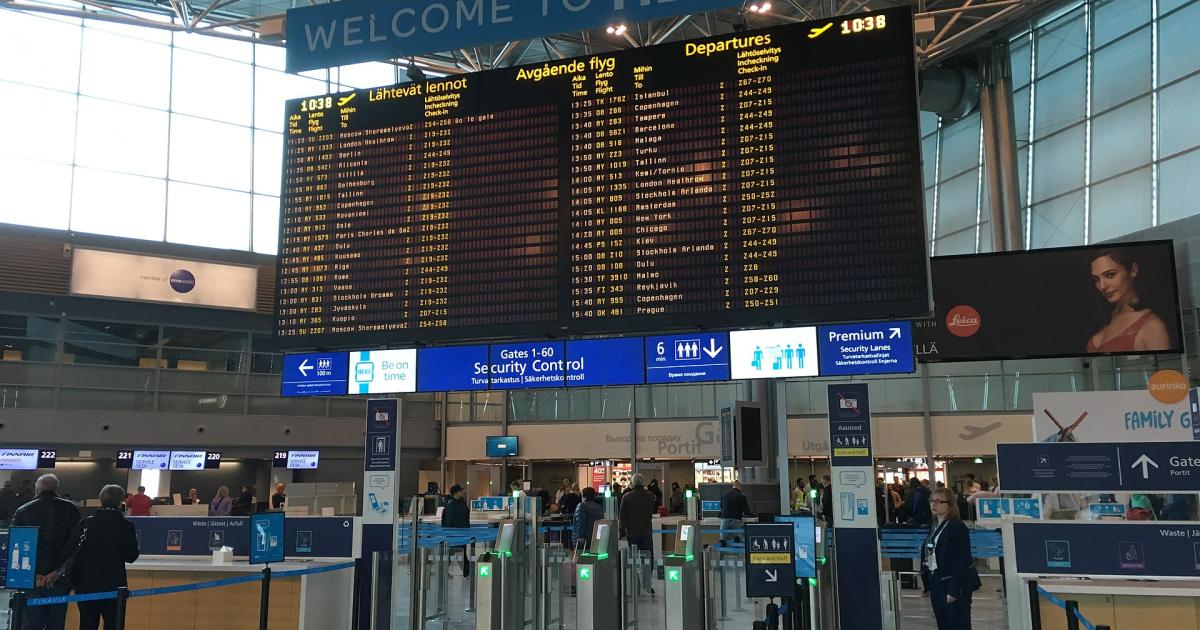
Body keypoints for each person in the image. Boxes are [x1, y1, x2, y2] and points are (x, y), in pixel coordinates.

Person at [56, 484, 139, 630]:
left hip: (86, 583)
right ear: (120, 501)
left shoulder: (86, 523)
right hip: (114, 584)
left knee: (87, 624)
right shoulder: (127, 526)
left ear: (101, 500)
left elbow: (66, 551)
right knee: (114, 624)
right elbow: (131, 556)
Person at [11, 474, 80, 630]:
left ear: (37, 490)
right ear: (56, 489)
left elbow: (16, 547)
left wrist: (32, 574)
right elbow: (76, 546)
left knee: (31, 623)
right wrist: (58, 572)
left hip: (32, 580)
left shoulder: (23, 511)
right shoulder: (71, 510)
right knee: (56, 624)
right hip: (59, 580)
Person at [1086, 249, 1172, 353]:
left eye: (1110, 275)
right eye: (1096, 279)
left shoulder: (1152, 325)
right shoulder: (1103, 318)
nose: (1102, 286)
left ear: (1133, 270)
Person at [921, 487, 981, 630]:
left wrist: (954, 590)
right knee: (943, 623)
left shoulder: (957, 527)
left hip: (952, 583)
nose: (933, 504)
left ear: (949, 505)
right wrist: (927, 584)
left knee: (958, 623)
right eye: (932, 500)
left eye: (938, 501)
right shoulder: (935, 525)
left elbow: (962, 560)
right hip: (936, 581)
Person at [618, 474, 657, 594]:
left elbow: (622, 516)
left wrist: (622, 531)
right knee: (648, 558)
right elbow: (653, 509)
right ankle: (647, 582)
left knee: (633, 559)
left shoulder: (626, 497)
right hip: (646, 531)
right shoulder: (650, 496)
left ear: (632, 483)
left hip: (632, 533)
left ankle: (635, 584)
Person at [441, 484, 471, 577]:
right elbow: (448, 520)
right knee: (456, 552)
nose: (462, 492)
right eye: (460, 491)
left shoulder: (460, 504)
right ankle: (466, 573)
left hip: (461, 532)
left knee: (457, 552)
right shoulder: (451, 506)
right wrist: (449, 532)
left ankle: (465, 572)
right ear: (456, 493)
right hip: (454, 533)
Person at [558, 484, 581, 548]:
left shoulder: (570, 496)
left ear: (572, 488)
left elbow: (566, 506)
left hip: (570, 516)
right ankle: (575, 546)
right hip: (578, 516)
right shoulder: (580, 495)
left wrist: (563, 510)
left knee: (569, 532)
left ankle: (569, 546)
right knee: (576, 531)